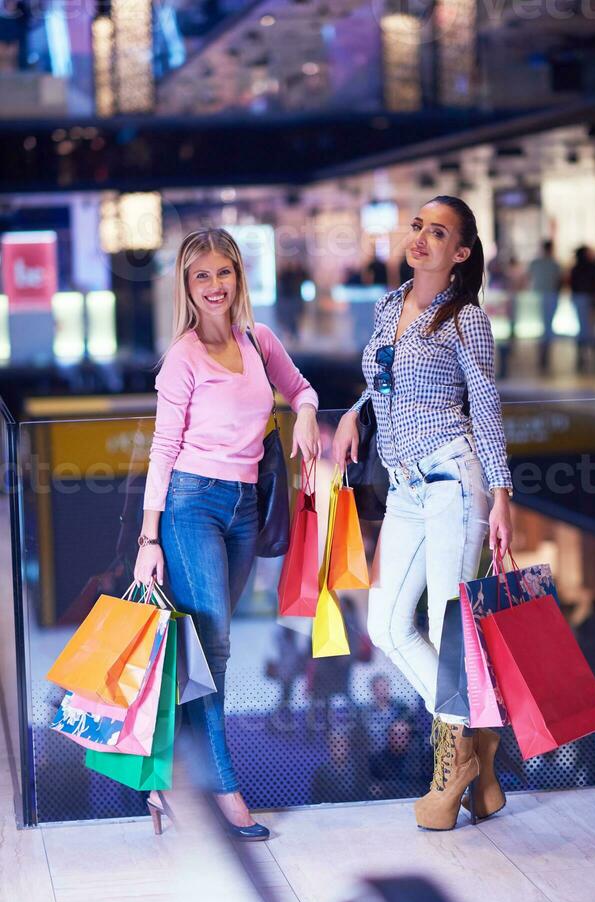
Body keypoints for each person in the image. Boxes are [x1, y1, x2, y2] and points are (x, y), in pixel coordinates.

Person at [333, 194, 513, 832]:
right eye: (418, 227)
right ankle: (473, 745)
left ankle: (456, 762)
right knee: (384, 625)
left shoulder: (465, 318)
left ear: (460, 252)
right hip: (405, 488)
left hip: (454, 483)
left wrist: (503, 496)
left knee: (446, 629)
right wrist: (356, 415)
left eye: (438, 232)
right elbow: (384, 378)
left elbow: (486, 407)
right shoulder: (388, 305)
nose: (421, 238)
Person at [134, 228, 320, 839]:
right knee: (211, 650)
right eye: (200, 276)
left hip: (245, 507)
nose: (214, 286)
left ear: (239, 277)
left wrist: (307, 417)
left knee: (207, 650)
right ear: (187, 287)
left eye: (223, 273)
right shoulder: (182, 359)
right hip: (191, 506)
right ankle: (226, 791)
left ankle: (168, 778)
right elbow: (162, 451)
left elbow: (302, 389)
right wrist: (148, 540)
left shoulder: (260, 342)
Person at [570, 245, 595, 374]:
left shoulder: (578, 268)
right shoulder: (591, 267)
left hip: (588, 305)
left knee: (587, 332)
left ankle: (586, 359)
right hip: (589, 305)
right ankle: (592, 359)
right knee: (591, 332)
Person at [528, 240, 561, 372]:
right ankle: (543, 354)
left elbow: (529, 278)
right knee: (547, 326)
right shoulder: (553, 264)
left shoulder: (537, 263)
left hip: (541, 298)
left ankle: (543, 355)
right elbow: (558, 281)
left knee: (545, 326)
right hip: (550, 297)